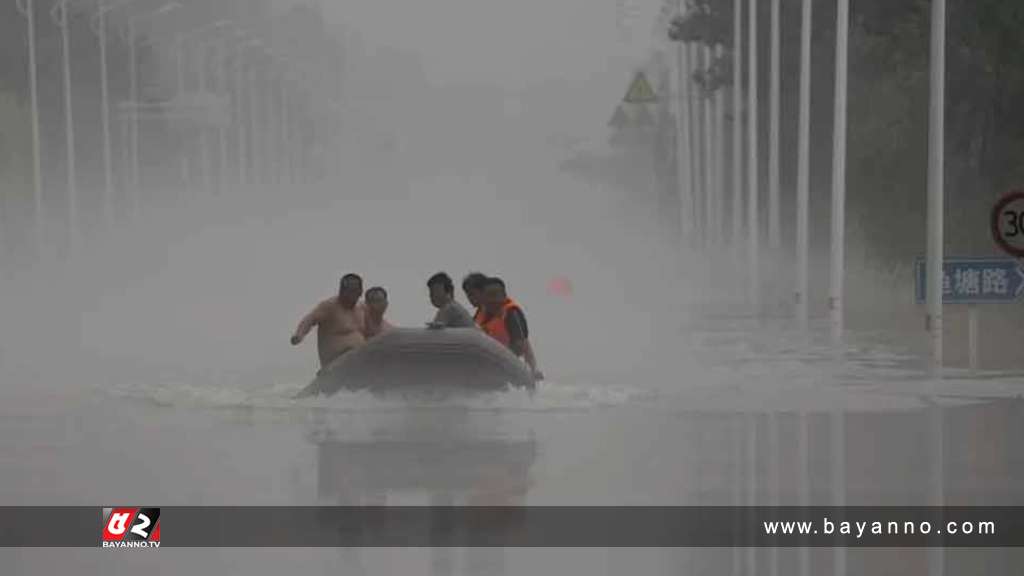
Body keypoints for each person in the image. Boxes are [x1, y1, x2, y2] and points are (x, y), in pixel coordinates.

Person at [290, 273, 367, 369]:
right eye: (344, 290)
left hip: (359, 364)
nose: (347, 294)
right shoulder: (329, 306)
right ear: (340, 291)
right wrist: (299, 335)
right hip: (335, 366)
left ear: (360, 292)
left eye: (352, 291)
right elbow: (309, 319)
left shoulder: (362, 308)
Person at [479, 276, 543, 381]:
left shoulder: (511, 313)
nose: (492, 300)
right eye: (488, 296)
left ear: (504, 296)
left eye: (495, 295)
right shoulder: (481, 315)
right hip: (488, 366)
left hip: (510, 365)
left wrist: (533, 370)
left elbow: (522, 345)